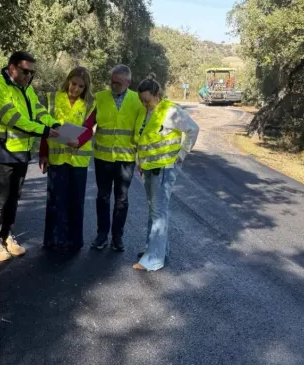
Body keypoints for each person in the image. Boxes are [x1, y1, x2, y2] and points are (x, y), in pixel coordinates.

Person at [0, 51, 60, 262]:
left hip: (21, 151)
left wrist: (54, 124)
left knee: (13, 197)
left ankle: (7, 236)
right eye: (25, 71)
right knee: (0, 198)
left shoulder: (27, 89)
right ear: (12, 68)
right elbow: (14, 119)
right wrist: (44, 131)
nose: (29, 76)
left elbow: (39, 111)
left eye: (32, 72)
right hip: (2, 150)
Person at [133, 75, 199, 272]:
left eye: (147, 100)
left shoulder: (171, 111)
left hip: (164, 169)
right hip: (149, 168)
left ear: (157, 94)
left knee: (158, 212)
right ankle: (155, 249)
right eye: (141, 100)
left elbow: (193, 129)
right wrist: (140, 162)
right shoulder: (146, 111)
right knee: (154, 210)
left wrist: (182, 154)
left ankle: (154, 259)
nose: (144, 104)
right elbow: (144, 139)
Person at [38, 67, 96, 251]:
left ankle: (74, 241)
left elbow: (89, 128)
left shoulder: (89, 104)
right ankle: (53, 240)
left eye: (81, 86)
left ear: (86, 87)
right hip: (57, 158)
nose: (76, 89)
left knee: (76, 201)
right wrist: (43, 153)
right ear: (68, 81)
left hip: (78, 160)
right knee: (55, 200)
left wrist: (78, 141)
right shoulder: (53, 99)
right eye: (73, 84)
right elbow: (45, 128)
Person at [89, 64, 144, 251]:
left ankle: (117, 237)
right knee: (102, 197)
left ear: (128, 82)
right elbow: (87, 124)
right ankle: (102, 235)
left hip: (125, 159)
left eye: (118, 83)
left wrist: (144, 159)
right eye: (111, 82)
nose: (113, 86)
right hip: (103, 157)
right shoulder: (100, 97)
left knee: (122, 199)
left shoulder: (138, 100)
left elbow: (144, 129)